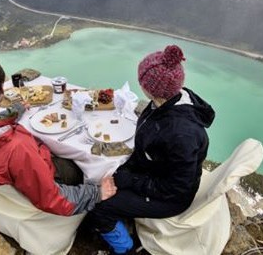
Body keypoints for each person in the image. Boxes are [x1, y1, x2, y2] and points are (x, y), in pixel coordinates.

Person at [0, 53, 116, 216]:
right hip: (34, 170)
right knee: (78, 165)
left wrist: (14, 112)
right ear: (1, 91)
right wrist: (97, 193)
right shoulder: (18, 150)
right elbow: (53, 199)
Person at [86, 45, 215, 254]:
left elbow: (176, 188)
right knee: (106, 177)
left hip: (170, 198)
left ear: (149, 87)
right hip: (154, 173)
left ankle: (128, 248)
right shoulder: (168, 101)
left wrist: (129, 180)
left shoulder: (182, 134)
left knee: (99, 206)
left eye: (141, 79)